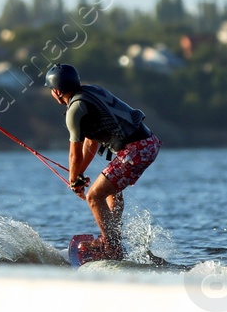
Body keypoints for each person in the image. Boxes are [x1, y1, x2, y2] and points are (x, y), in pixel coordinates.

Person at [44, 63, 161, 257]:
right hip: (149, 144)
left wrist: (74, 182)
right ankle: (113, 238)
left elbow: (74, 154)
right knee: (110, 191)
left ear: (56, 91)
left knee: (93, 196)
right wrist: (79, 174)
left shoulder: (74, 111)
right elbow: (91, 142)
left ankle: (111, 246)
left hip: (136, 149)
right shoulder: (91, 92)